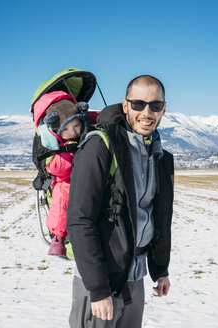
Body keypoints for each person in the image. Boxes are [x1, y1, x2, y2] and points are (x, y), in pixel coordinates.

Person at [67, 75, 174, 327]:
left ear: (164, 109)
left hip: (135, 278)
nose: (147, 112)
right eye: (138, 104)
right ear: (125, 106)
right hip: (101, 280)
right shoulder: (100, 146)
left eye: (155, 106)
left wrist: (160, 269)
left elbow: (159, 216)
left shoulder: (159, 155)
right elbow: (80, 220)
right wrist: (98, 288)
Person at [33, 91, 87, 257]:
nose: (74, 132)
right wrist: (69, 153)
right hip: (64, 180)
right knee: (63, 195)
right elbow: (56, 169)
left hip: (85, 177)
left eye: (77, 126)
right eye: (67, 129)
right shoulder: (52, 145)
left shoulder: (87, 135)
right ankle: (59, 236)